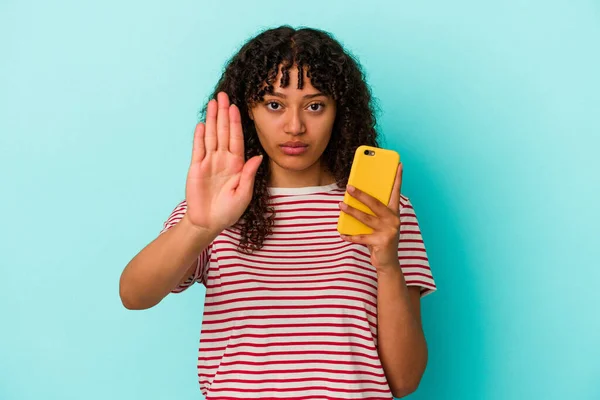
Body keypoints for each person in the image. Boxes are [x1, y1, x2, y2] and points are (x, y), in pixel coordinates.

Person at [119, 25, 436, 399]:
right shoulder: (216, 204)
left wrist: (387, 263)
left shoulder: (382, 210)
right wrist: (198, 226)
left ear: (340, 112)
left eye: (315, 106)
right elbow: (134, 295)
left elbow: (403, 381)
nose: (294, 126)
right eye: (274, 104)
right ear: (248, 110)